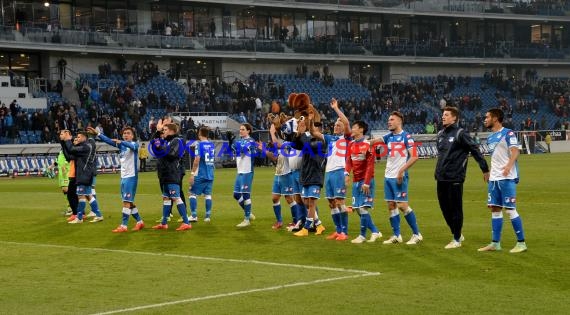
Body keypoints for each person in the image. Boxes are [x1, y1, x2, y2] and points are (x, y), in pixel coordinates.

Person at [435, 106, 489, 249]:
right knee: (444, 208)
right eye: (443, 115)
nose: (443, 117)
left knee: (456, 208)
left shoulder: (460, 133)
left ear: (454, 118)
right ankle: (456, 232)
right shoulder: (440, 134)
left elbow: (475, 150)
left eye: (446, 115)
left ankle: (456, 239)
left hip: (455, 178)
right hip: (441, 177)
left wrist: (485, 169)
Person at [478, 108, 527, 253]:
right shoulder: (490, 137)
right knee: (495, 209)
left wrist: (508, 166)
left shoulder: (508, 133)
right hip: (494, 178)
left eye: (487, 117)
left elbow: (515, 151)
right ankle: (495, 243)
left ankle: (521, 243)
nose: (484, 120)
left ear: (495, 118)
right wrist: (489, 173)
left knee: (510, 210)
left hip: (506, 177)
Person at [371, 112, 423, 245]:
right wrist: (358, 142)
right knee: (391, 205)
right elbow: (373, 142)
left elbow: (414, 156)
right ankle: (396, 235)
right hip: (388, 176)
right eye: (388, 120)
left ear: (399, 122)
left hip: (399, 176)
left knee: (402, 205)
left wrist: (401, 170)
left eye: (392, 120)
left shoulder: (406, 137)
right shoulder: (389, 136)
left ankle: (417, 234)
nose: (389, 122)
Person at [88, 126, 144, 233]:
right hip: (123, 177)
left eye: (128, 133)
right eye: (124, 133)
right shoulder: (122, 146)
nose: (126, 135)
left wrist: (121, 141)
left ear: (132, 136)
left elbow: (129, 145)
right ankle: (139, 222)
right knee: (129, 202)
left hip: (131, 177)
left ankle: (123, 226)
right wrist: (98, 134)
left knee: (126, 202)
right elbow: (109, 141)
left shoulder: (134, 145)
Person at [345, 121, 382, 243]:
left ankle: (362, 236)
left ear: (361, 130)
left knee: (363, 209)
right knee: (358, 209)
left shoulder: (367, 145)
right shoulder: (351, 144)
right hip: (356, 181)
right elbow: (349, 161)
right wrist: (346, 174)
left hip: (366, 182)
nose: (352, 129)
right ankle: (375, 231)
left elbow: (370, 166)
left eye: (354, 127)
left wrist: (366, 183)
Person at [150, 122, 191, 231]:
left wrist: (161, 147)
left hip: (173, 173)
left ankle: (186, 222)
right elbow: (153, 143)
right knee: (166, 198)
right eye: (163, 130)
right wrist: (157, 133)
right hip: (165, 174)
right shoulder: (167, 141)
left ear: (172, 131)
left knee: (176, 197)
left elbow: (173, 154)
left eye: (165, 130)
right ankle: (164, 223)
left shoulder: (177, 141)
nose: (164, 132)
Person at [320, 99, 351, 241]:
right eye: (335, 125)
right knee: (331, 203)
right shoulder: (330, 138)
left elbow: (347, 123)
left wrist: (336, 109)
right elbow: (315, 133)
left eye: (339, 125)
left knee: (340, 202)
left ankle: (344, 232)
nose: (336, 126)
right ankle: (338, 231)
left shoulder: (346, 138)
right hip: (329, 172)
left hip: (339, 171)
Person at [291, 117, 326, 237]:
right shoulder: (309, 140)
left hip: (315, 176)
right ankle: (319, 224)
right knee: (306, 202)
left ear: (319, 132)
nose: (311, 131)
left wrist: (303, 132)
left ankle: (306, 228)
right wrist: (298, 133)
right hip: (306, 175)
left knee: (311, 203)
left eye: (313, 130)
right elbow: (295, 145)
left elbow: (307, 145)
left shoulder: (321, 143)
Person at [60, 131, 103, 224]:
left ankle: (79, 217)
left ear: (84, 137)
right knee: (88, 195)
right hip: (86, 174)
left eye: (79, 137)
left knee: (81, 196)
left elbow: (71, 149)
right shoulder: (87, 146)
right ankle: (99, 215)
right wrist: (64, 142)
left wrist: (67, 139)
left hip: (83, 175)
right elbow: (69, 155)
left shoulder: (85, 147)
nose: (77, 139)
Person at [266, 123, 297, 230]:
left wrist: (271, 132)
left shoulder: (291, 143)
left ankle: (296, 221)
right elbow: (275, 158)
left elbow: (276, 143)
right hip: (278, 174)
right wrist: (265, 150)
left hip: (287, 174)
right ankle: (279, 221)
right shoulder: (282, 142)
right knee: (275, 198)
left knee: (289, 199)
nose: (281, 133)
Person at [232, 123, 258, 227]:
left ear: (248, 131)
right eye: (240, 129)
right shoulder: (239, 141)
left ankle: (246, 219)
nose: (241, 131)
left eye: (243, 129)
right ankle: (249, 212)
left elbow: (241, 150)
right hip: (240, 171)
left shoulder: (251, 141)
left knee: (246, 195)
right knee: (236, 194)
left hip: (247, 171)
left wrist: (233, 143)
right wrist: (231, 142)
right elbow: (233, 150)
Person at [188, 127, 215, 222]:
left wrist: (192, 173)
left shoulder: (199, 145)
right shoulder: (212, 145)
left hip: (200, 174)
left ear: (200, 134)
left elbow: (197, 160)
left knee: (192, 193)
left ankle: (194, 215)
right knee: (207, 195)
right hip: (210, 174)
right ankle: (207, 216)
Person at [49, 149, 71, 215]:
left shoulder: (67, 150)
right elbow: (58, 161)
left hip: (66, 173)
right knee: (65, 191)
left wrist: (64, 169)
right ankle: (70, 208)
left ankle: (72, 209)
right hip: (62, 174)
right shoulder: (61, 151)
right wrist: (51, 166)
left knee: (67, 190)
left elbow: (68, 159)